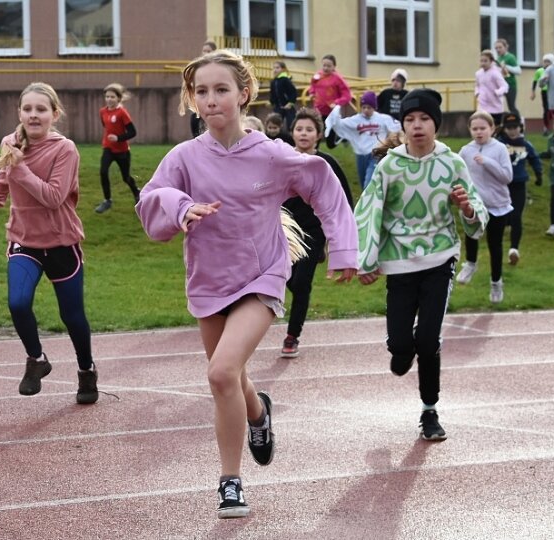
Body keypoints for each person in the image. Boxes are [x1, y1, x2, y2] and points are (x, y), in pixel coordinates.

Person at [135, 50, 357, 519]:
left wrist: (343, 250)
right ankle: (258, 412)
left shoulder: (272, 154)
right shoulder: (185, 157)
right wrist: (181, 207)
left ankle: (230, 482)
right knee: (230, 377)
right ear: (192, 100)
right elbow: (151, 200)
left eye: (221, 90)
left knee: (219, 374)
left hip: (263, 276)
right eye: (201, 92)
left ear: (244, 94)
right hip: (209, 281)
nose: (211, 100)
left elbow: (324, 185)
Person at [354, 88, 488, 440]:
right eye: (410, 119)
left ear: (436, 125)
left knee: (428, 340)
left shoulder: (452, 163)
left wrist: (468, 209)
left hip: (438, 258)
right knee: (402, 348)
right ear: (403, 125)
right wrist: (365, 261)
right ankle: (401, 349)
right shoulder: (390, 166)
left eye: (424, 119)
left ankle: (430, 412)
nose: (417, 126)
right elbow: (369, 212)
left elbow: (477, 212)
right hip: (399, 263)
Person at [0, 82, 99, 405]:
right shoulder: (10, 143)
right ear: (19, 112)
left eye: (41, 109)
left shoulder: (65, 149)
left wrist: (21, 165)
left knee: (72, 316)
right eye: (27, 109)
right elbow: (3, 176)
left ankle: (86, 370)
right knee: (17, 303)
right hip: (24, 241)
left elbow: (54, 197)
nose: (33, 115)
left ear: (54, 114)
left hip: (61, 242)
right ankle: (36, 359)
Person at [281, 107, 354, 358]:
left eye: (309, 129)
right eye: (299, 129)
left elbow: (343, 199)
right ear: (292, 133)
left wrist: (341, 237)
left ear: (318, 135)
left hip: (314, 231)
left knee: (301, 284)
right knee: (284, 279)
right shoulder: (282, 160)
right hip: (284, 230)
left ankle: (292, 336)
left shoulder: (327, 164)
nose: (303, 133)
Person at [456, 111, 514, 303]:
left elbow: (507, 176)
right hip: (475, 203)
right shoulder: (466, 150)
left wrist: (487, 162)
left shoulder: (499, 149)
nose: (479, 132)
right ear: (470, 130)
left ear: (492, 129)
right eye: (475, 129)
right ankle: (471, 264)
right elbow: (457, 171)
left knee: (494, 245)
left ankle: (496, 282)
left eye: (483, 128)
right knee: (471, 234)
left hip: (497, 204)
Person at [495, 112, 543, 266]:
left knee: (516, 216)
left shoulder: (526, 145)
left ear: (520, 127)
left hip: (519, 185)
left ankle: (514, 249)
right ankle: (497, 247)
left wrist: (538, 174)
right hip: (502, 185)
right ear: (504, 128)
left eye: (515, 127)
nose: (512, 130)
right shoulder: (498, 145)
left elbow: (534, 159)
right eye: (509, 127)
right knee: (502, 218)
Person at [325, 91, 401, 188]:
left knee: (368, 183)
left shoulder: (383, 119)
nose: (366, 110)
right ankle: (368, 201)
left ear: (374, 107)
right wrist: (335, 113)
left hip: (376, 154)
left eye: (369, 107)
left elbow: (397, 128)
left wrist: (390, 141)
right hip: (361, 156)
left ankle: (373, 199)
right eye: (363, 107)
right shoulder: (356, 120)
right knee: (363, 182)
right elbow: (339, 125)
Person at [95, 82, 141, 214]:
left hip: (122, 151)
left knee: (126, 177)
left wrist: (118, 138)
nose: (109, 99)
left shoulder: (122, 113)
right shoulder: (102, 111)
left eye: (112, 97)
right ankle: (107, 200)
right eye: (107, 97)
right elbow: (106, 126)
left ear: (118, 99)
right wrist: (110, 140)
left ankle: (136, 192)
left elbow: (132, 132)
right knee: (103, 172)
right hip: (108, 148)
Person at [307, 54, 352, 147]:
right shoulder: (317, 76)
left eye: (329, 66)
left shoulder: (337, 79)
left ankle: (342, 138)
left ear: (334, 67)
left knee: (330, 144)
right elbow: (313, 86)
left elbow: (347, 95)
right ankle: (315, 150)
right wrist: (311, 93)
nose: (326, 68)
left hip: (331, 113)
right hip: (318, 110)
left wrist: (336, 103)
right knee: (317, 131)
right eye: (324, 65)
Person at [190, 40, 219, 138]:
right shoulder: (199, 69)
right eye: (204, 51)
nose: (205, 54)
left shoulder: (219, 69)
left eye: (208, 51)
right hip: (202, 103)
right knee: (195, 118)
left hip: (214, 102)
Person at [475, 49, 509, 126]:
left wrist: (497, 92)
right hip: (482, 104)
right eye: (481, 61)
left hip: (495, 105)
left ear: (491, 61)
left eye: (485, 61)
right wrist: (477, 93)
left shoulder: (495, 73)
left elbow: (505, 86)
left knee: (495, 126)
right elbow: (477, 85)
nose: (483, 63)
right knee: (483, 124)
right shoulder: (478, 73)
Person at [494, 38, 521, 116]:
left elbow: (518, 71)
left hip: (510, 85)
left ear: (506, 47)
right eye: (496, 48)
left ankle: (519, 122)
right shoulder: (498, 59)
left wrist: (506, 67)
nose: (498, 50)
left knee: (511, 106)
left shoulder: (510, 57)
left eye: (500, 47)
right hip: (500, 85)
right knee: (497, 104)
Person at [269, 60, 297, 131]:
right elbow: (273, 93)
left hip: (288, 106)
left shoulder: (285, 80)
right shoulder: (273, 81)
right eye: (274, 68)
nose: (275, 70)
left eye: (277, 68)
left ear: (283, 69)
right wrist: (271, 102)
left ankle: (292, 138)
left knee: (291, 124)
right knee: (275, 123)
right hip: (278, 106)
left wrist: (290, 103)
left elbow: (293, 92)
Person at [531, 53, 554, 135]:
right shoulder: (540, 71)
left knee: (553, 110)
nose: (546, 64)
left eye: (548, 62)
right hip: (544, 92)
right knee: (546, 110)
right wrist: (533, 92)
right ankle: (546, 128)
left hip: (553, 92)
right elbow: (535, 81)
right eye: (545, 62)